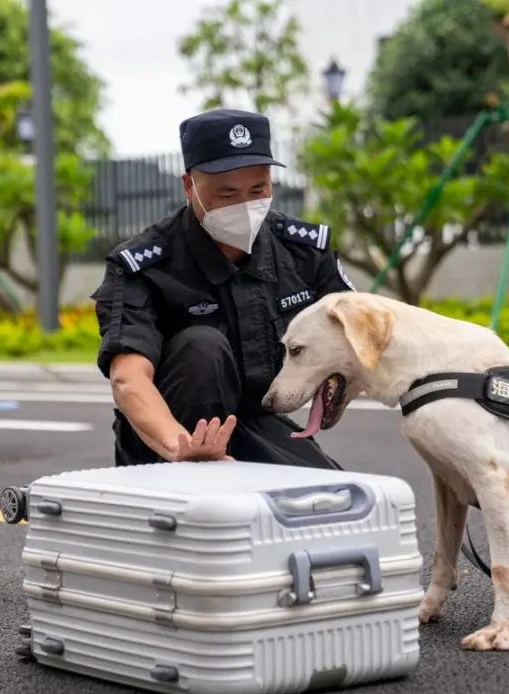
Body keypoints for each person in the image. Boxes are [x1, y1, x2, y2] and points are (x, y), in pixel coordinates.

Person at [91, 108, 356, 466]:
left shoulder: (302, 252)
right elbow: (129, 379)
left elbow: (362, 327)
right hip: (168, 439)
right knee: (203, 345)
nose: (246, 205)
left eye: (258, 188)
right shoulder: (145, 266)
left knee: (328, 497)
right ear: (189, 186)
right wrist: (179, 445)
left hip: (253, 421)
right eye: (227, 194)